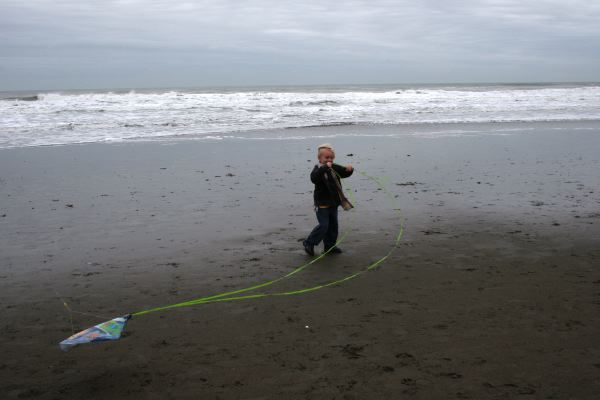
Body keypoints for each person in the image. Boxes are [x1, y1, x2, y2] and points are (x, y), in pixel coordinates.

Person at [303, 143, 353, 256]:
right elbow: (314, 178)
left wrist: (349, 170)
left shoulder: (333, 167)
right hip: (321, 204)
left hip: (333, 203)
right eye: (326, 158)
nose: (329, 160)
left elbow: (343, 172)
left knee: (333, 226)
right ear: (319, 158)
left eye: (331, 158)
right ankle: (309, 243)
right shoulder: (318, 169)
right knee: (324, 226)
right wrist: (325, 167)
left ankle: (329, 246)